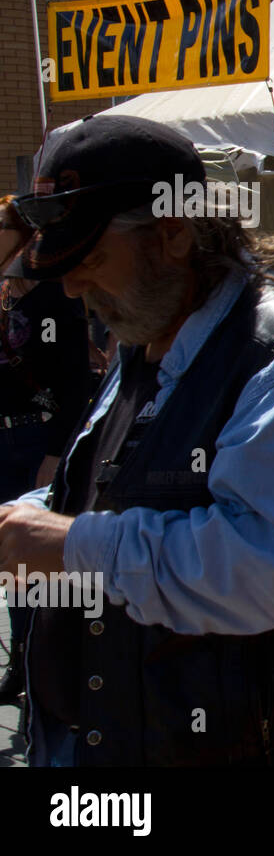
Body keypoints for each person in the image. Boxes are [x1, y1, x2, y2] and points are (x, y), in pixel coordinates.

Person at [0, 114, 274, 765]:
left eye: (93, 258)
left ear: (170, 234)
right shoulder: (150, 331)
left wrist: (73, 544)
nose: (74, 283)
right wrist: (35, 511)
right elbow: (130, 479)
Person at [0, 206, 92, 707]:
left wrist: (56, 453)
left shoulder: (56, 298)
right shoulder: (6, 296)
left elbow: (74, 381)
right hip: (5, 437)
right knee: (11, 564)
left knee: (39, 563)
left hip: (37, 439)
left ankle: (46, 662)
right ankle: (22, 660)